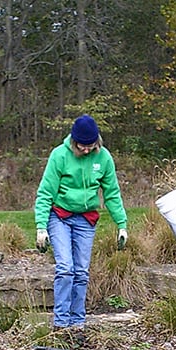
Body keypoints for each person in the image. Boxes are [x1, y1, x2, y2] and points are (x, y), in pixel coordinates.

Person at [34, 114, 128, 330]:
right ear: (73, 141)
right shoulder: (59, 156)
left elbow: (112, 193)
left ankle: (77, 323)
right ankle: (60, 323)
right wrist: (41, 226)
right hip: (60, 216)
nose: (86, 150)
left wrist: (121, 224)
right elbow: (45, 193)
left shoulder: (103, 158)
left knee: (81, 272)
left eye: (90, 145)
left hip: (86, 219)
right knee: (66, 268)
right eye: (81, 146)